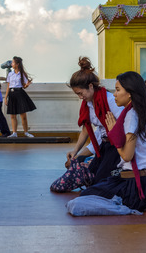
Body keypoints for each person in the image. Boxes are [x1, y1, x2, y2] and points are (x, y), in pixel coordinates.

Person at [80, 71, 146, 212]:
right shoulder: (145, 112)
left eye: (118, 89)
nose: (114, 94)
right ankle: (145, 200)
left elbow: (127, 156)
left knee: (85, 197)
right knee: (100, 187)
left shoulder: (131, 115)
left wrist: (113, 133)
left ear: (130, 93)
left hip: (135, 185)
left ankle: (140, 203)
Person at [50, 57, 124, 192]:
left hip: (116, 148)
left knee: (98, 183)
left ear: (90, 86)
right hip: (103, 145)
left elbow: (126, 128)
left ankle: (97, 170)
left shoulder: (109, 101)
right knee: (75, 164)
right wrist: (75, 151)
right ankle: (91, 165)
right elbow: (86, 130)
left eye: (80, 93)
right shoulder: (89, 103)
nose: (80, 97)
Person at [4, 56, 36, 138]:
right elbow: (8, 86)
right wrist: (5, 97)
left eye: (13, 62)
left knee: (23, 114)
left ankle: (26, 132)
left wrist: (27, 85)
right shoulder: (10, 74)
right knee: (12, 115)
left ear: (17, 64)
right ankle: (14, 133)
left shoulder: (22, 74)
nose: (11, 64)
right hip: (12, 94)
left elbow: (24, 86)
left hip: (20, 93)